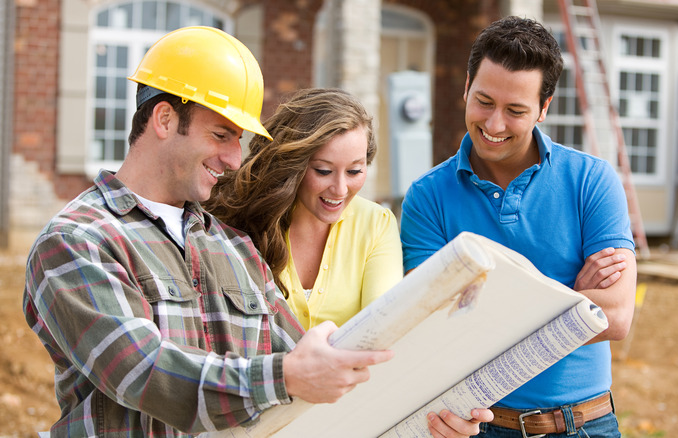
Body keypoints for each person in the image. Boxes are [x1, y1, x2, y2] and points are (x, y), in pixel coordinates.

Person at [23, 26, 489, 437]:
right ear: (165, 119)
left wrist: (429, 415)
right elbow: (143, 373)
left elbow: (319, 369)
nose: (233, 158)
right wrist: (284, 376)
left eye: (237, 141)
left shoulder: (231, 246)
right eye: (221, 135)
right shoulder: (78, 241)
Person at [400, 16, 638, 438]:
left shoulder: (592, 181)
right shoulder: (426, 197)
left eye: (515, 111)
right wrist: (570, 299)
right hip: (477, 427)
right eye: (484, 101)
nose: (493, 125)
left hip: (584, 425)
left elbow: (615, 317)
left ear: (544, 108)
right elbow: (432, 325)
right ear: (467, 85)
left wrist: (484, 309)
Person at [206, 88, 402, 331]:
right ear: (292, 165)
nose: (340, 189)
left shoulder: (377, 223)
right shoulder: (239, 221)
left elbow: (383, 326)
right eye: (323, 171)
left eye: (354, 171)